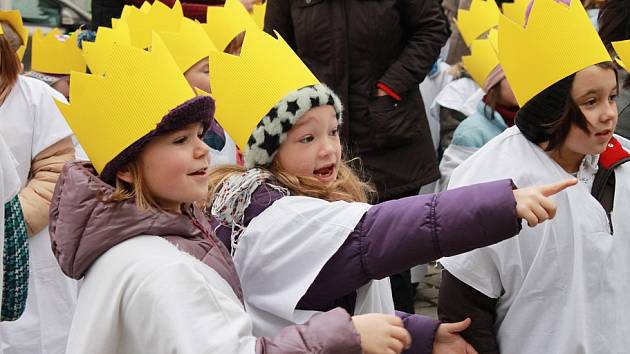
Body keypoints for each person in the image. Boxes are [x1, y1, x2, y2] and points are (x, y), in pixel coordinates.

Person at [206, 25, 575, 354]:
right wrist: (500, 203)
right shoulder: (278, 216)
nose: (329, 149)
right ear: (269, 155)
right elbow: (381, 231)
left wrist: (420, 335)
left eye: (333, 131)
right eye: (306, 138)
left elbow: (339, 307)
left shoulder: (295, 200)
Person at [50, 35, 414, 354]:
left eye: (198, 135)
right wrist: (343, 335)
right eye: (180, 141)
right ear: (127, 169)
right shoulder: (163, 267)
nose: (202, 151)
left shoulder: (150, 242)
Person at [438, 1, 630, 352]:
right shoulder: (492, 176)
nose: (609, 115)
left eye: (612, 97)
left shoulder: (624, 162)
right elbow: (466, 305)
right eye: (590, 102)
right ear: (551, 108)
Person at [264, 0, 452, 312]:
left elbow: (432, 28)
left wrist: (390, 88)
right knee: (327, 256)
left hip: (387, 137)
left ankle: (401, 336)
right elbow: (274, 46)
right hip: (318, 145)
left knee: (392, 259)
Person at [0, 12, 78, 353]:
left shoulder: (38, 98)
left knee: (35, 334)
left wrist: (11, 224)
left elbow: (57, 169)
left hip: (27, 244)